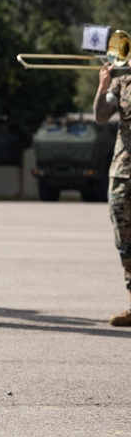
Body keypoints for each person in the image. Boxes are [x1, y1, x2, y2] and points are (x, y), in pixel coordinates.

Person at [93, 62, 131, 326]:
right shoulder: (121, 84)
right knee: (124, 239)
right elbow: (101, 116)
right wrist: (103, 86)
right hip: (122, 173)